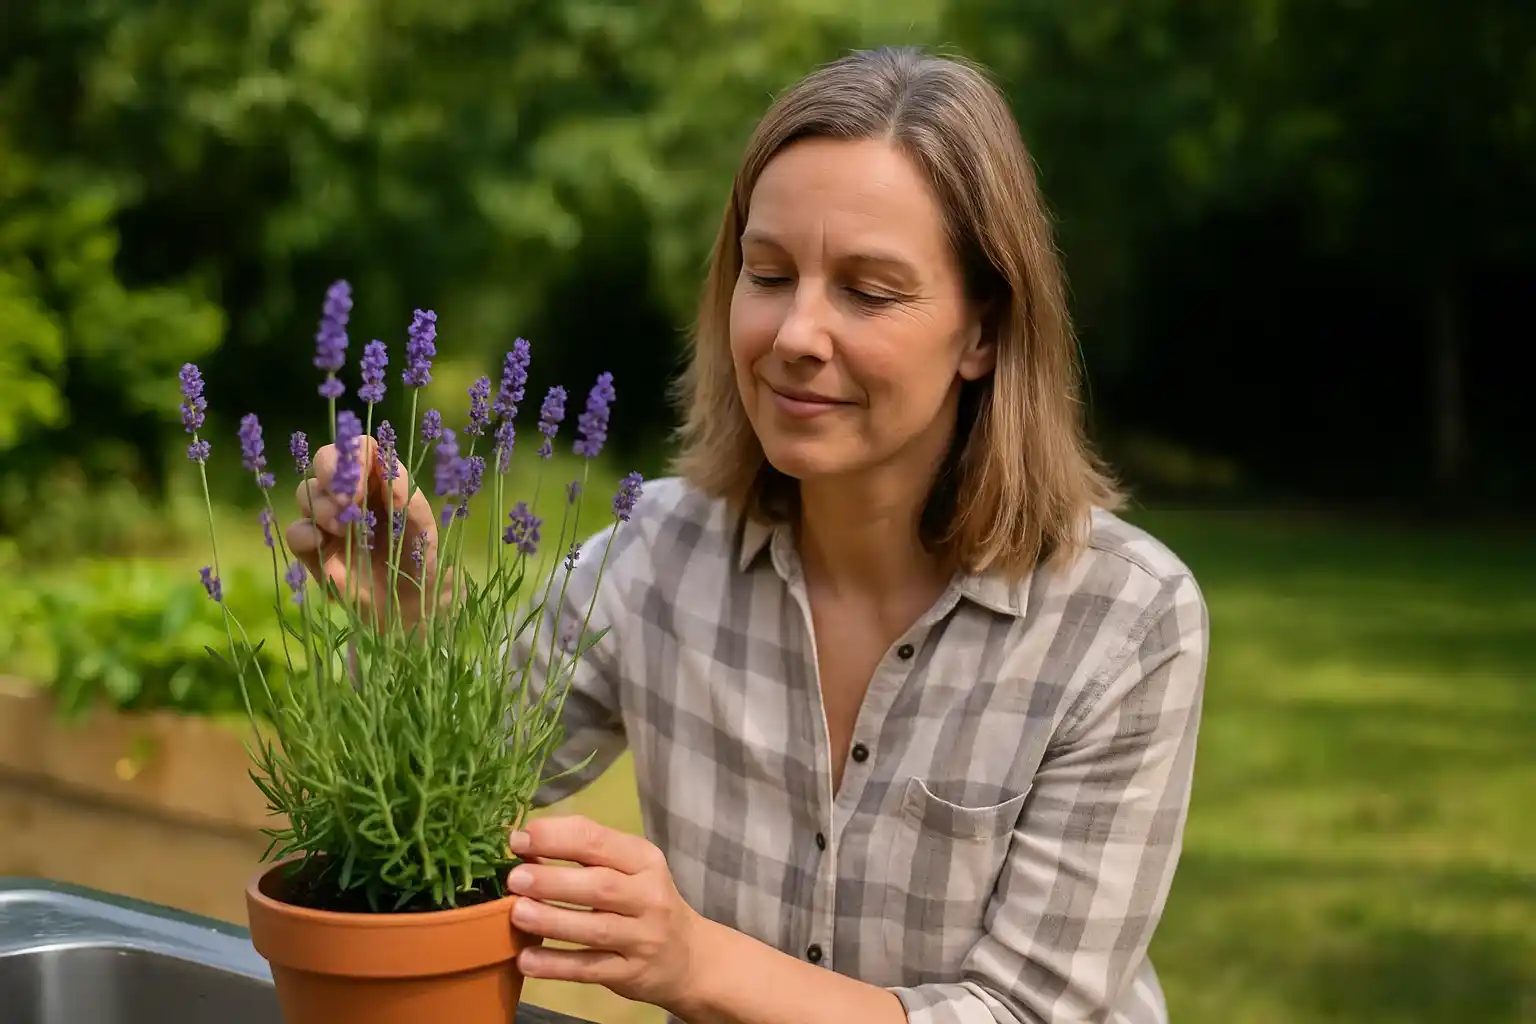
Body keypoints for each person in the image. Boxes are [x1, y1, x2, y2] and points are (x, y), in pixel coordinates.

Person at [289, 45, 1208, 1024]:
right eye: (768, 274)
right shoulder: (657, 557)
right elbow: (459, 798)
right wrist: (408, 625)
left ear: (983, 332)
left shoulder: (1124, 620)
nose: (796, 334)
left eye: (868, 289)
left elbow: (1028, 1014)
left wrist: (693, 960)